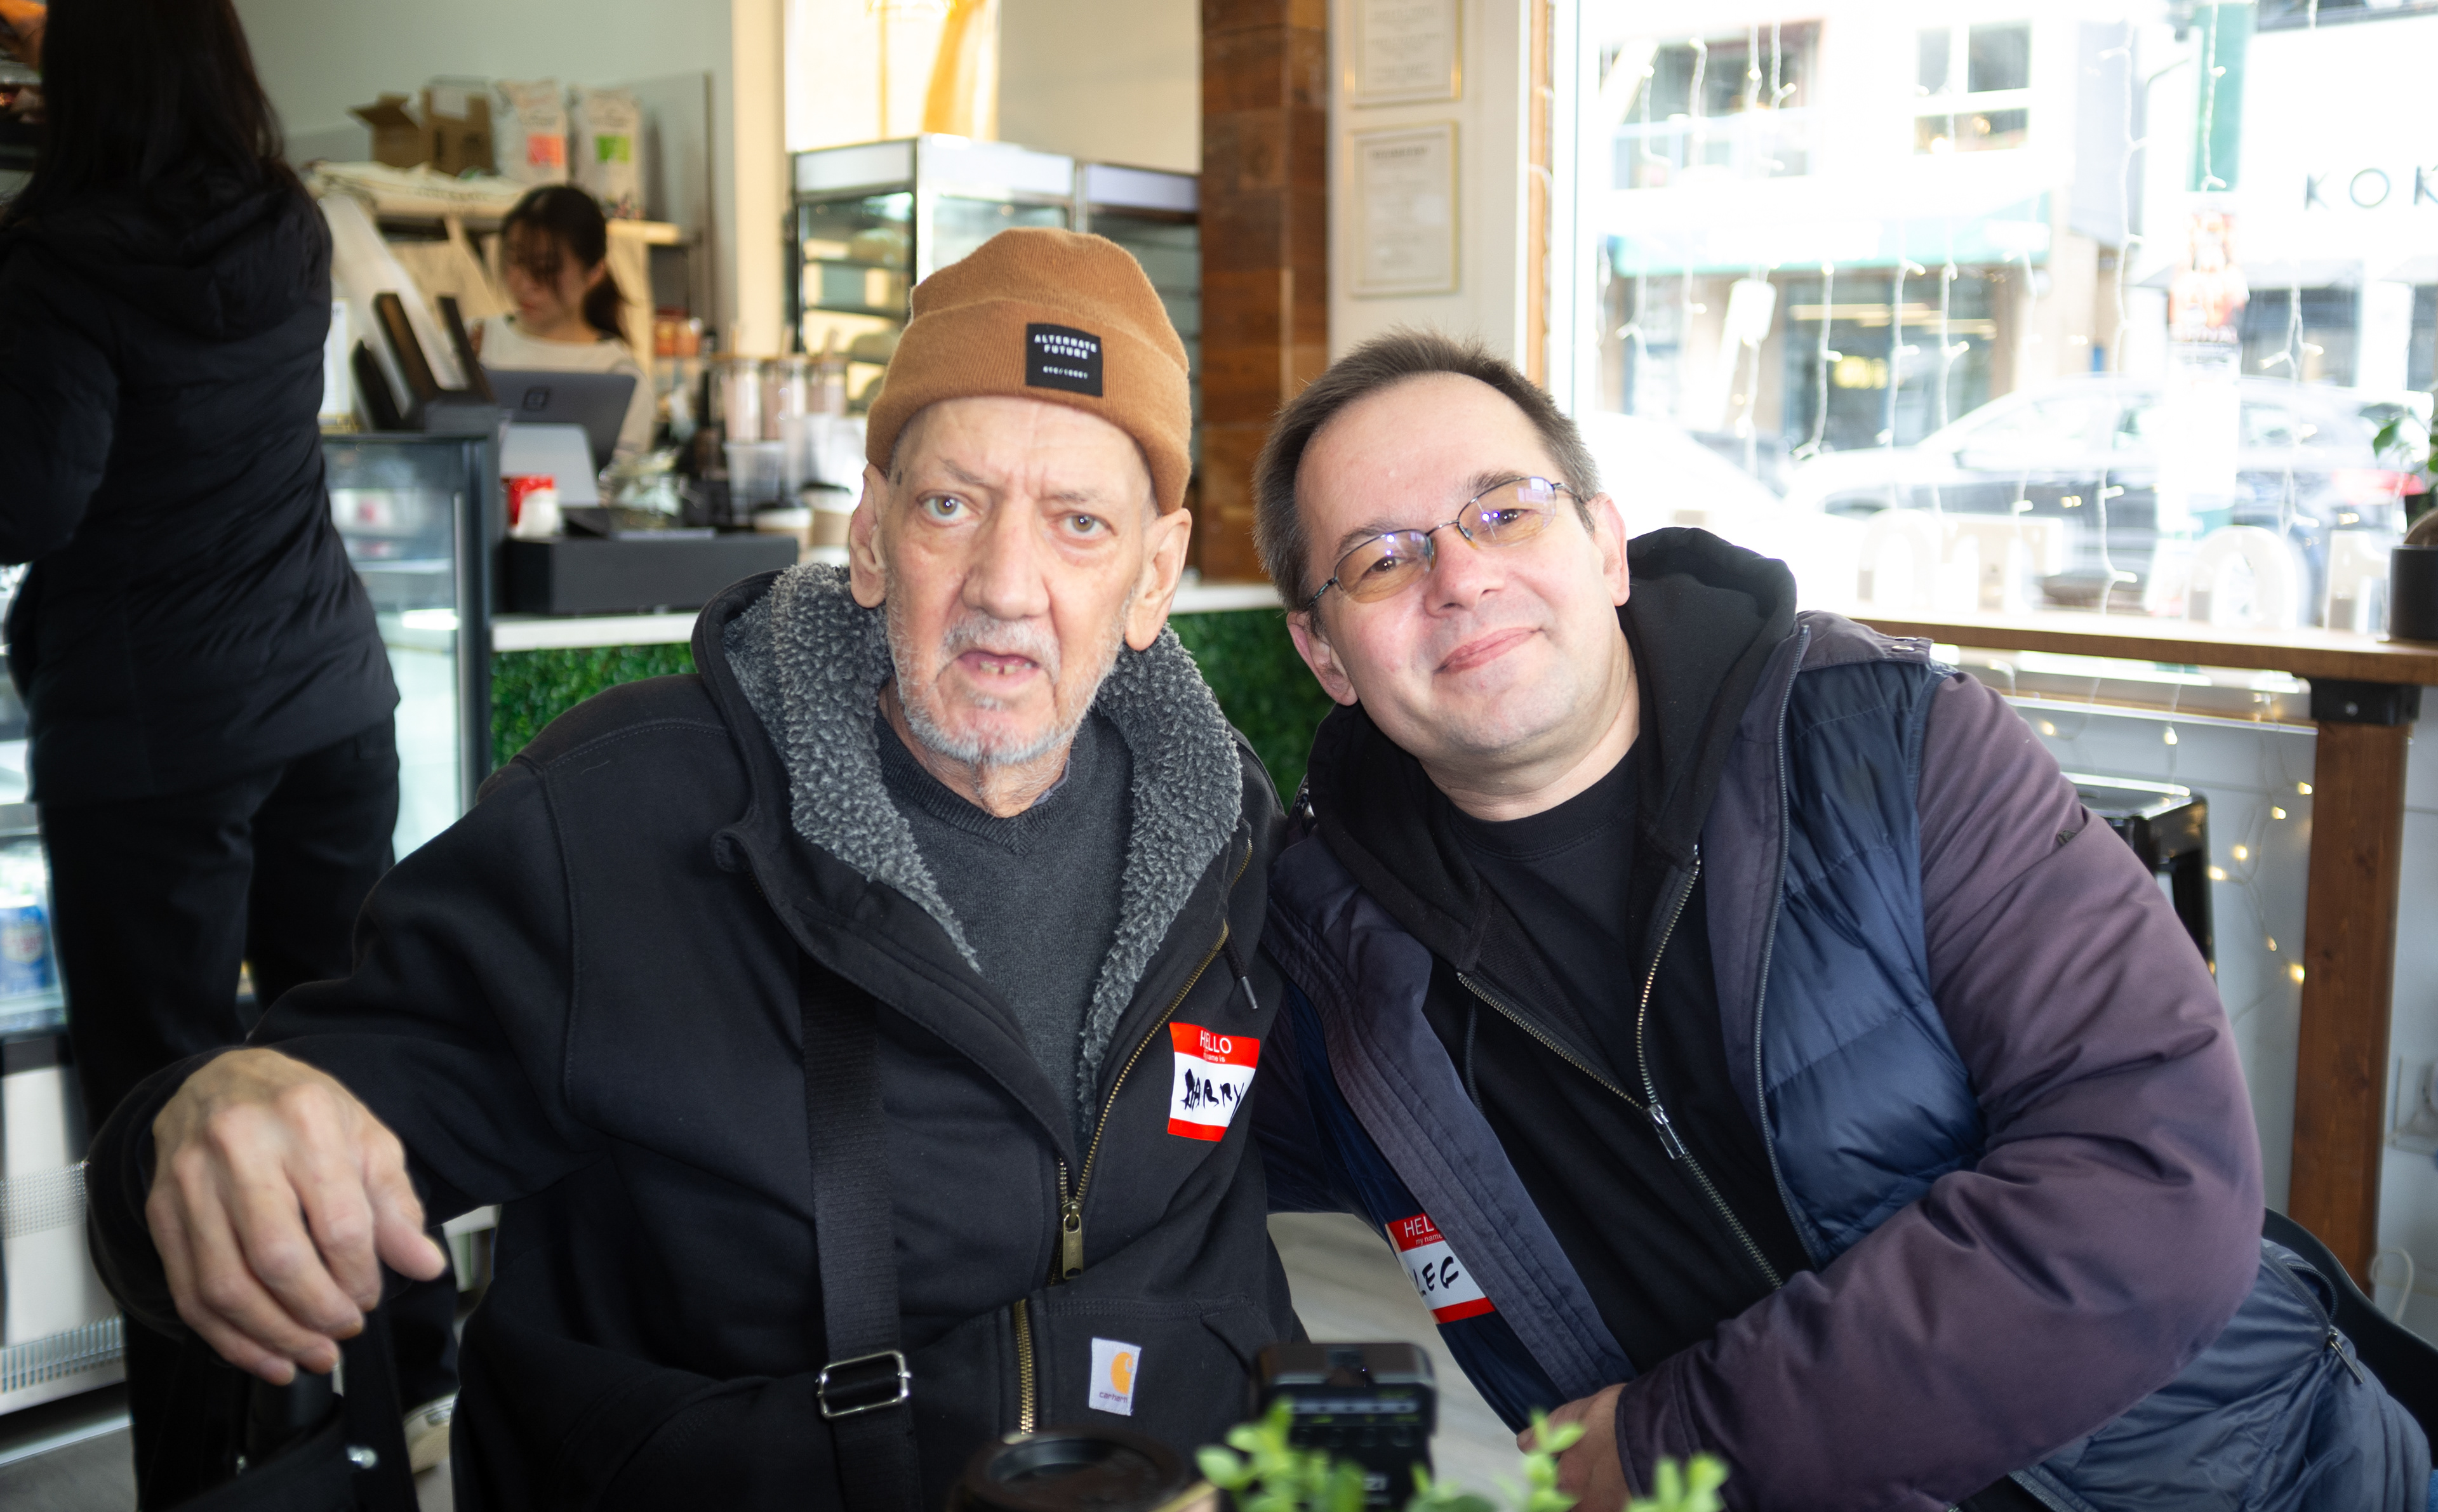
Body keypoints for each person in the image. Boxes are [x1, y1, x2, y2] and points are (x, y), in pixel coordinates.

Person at [87, 227, 1296, 1509]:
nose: (1006, 585)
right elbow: (280, 1139)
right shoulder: (618, 825)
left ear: (1153, 575)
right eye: (953, 505)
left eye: (1078, 524)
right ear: (872, 533)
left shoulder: (1225, 843)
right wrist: (204, 1124)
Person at [1248, 329, 2431, 1511]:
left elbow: (2153, 1188)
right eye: (1381, 558)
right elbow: (1151, 1153)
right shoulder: (1325, 953)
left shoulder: (1897, 744)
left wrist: (1683, 1443)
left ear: (1605, 546)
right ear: (1324, 653)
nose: (1461, 576)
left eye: (1506, 511)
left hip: (2257, 1480)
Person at [0, 0, 462, 1492]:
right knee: (350, 1051)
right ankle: (404, 1393)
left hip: (155, 740)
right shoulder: (284, 221)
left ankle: (213, 1469)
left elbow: (32, 498)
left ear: (80, 82)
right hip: (326, 701)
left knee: (171, 1116)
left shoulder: (57, 262)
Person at [471, 182, 656, 460]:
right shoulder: (472, 341)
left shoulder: (617, 375)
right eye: (516, 261)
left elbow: (618, 477)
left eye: (547, 268)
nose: (526, 284)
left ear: (594, 272)